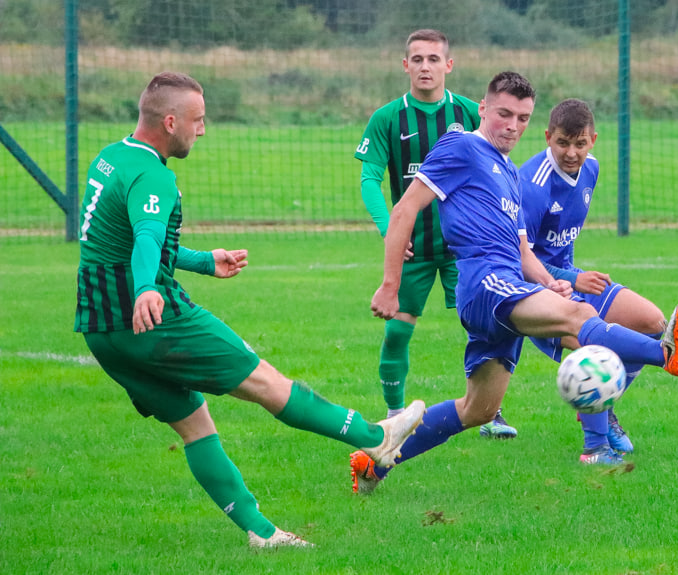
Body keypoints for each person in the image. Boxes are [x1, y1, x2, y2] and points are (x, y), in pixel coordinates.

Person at [74, 72, 425, 549]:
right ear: (171, 121)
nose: (203, 129)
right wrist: (144, 290)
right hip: (155, 320)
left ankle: (262, 534)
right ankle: (373, 436)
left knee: (194, 425)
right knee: (264, 382)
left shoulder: (110, 158)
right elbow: (146, 239)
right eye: (197, 120)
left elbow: (117, 240)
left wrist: (202, 261)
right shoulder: (154, 176)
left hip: (101, 329)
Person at [349, 71, 678, 494]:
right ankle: (666, 354)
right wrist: (390, 284)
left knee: (478, 409)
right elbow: (405, 211)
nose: (512, 126)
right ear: (482, 109)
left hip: (507, 282)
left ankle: (375, 460)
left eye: (523, 118)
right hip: (485, 279)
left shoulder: (509, 172)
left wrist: (550, 282)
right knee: (579, 317)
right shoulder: (461, 145)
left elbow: (524, 251)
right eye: (504, 114)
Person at [354, 29, 517, 439]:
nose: (425, 66)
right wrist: (390, 228)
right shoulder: (387, 118)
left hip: (466, 249)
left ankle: (489, 411)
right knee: (396, 330)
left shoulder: (469, 114)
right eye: (417, 59)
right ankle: (394, 416)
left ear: (448, 65)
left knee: (489, 325)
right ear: (405, 65)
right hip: (415, 248)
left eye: (433, 59)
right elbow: (369, 179)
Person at [519, 99, 669, 465]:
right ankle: (596, 448)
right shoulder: (532, 185)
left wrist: (575, 277)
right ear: (547, 138)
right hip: (536, 289)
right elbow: (519, 261)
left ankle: (601, 405)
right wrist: (572, 278)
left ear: (593, 140)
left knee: (653, 323)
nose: (572, 153)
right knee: (591, 347)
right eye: (562, 143)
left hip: (575, 281)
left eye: (580, 144)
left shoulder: (592, 170)